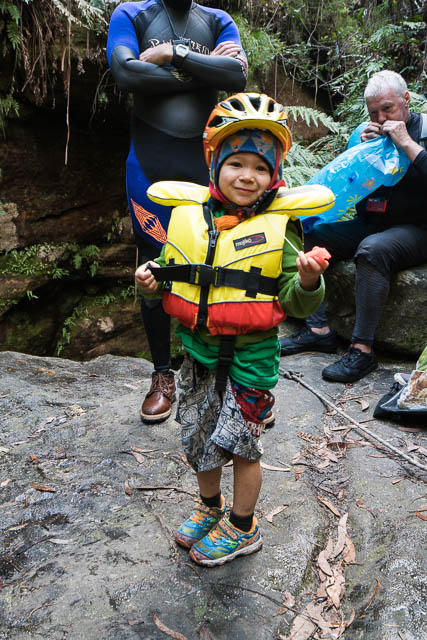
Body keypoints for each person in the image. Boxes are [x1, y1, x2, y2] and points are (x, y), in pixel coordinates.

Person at [135, 92, 333, 566]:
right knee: (198, 438)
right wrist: (147, 283)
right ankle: (210, 507)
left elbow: (292, 295)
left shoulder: (280, 227)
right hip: (198, 353)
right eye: (237, 163)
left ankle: (244, 527)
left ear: (276, 174)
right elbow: (168, 272)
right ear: (214, 163)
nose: (248, 176)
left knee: (243, 447)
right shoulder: (189, 218)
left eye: (261, 168)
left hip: (251, 358)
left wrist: (307, 279)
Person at [107, 0, 248, 423]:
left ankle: (220, 374)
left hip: (207, 165)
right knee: (155, 266)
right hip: (150, 163)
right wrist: (201, 70)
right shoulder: (130, 14)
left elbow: (237, 76)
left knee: (219, 261)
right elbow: (126, 73)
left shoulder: (218, 20)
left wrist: (173, 55)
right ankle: (162, 374)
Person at [280, 70, 427, 383]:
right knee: (310, 232)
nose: (381, 117)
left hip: (416, 228)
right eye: (374, 112)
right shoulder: (367, 135)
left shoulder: (423, 129)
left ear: (406, 100)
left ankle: (362, 350)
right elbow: (347, 190)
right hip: (371, 221)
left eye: (388, 108)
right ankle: (318, 330)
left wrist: (406, 143)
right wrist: (360, 155)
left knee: (372, 250)